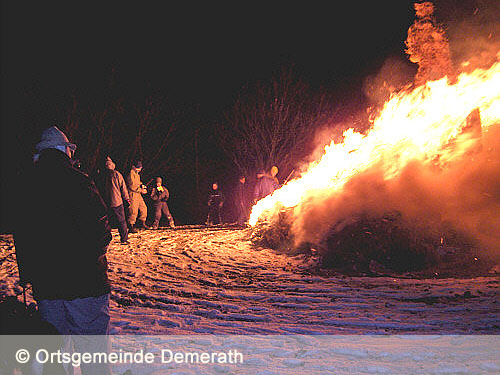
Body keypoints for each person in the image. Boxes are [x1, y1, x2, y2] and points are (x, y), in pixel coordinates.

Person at [13, 126, 112, 375]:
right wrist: (92, 260)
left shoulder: (26, 184)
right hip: (85, 283)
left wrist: (29, 275)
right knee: (92, 350)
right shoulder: (78, 180)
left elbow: (23, 237)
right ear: (65, 150)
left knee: (54, 355)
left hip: (47, 285)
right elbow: (100, 229)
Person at [101, 156, 130, 244]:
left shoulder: (101, 175)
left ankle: (105, 239)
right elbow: (123, 188)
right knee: (121, 221)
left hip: (105, 202)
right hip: (117, 201)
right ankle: (124, 239)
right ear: (112, 165)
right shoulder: (117, 174)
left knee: (106, 222)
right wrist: (127, 199)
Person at [126, 160, 149, 232]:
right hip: (133, 194)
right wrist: (141, 190)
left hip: (138, 194)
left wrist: (142, 185)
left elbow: (138, 183)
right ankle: (131, 225)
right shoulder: (131, 174)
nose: (140, 169)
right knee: (133, 210)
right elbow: (132, 186)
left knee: (143, 208)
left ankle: (142, 222)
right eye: (139, 168)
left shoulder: (137, 174)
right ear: (135, 167)